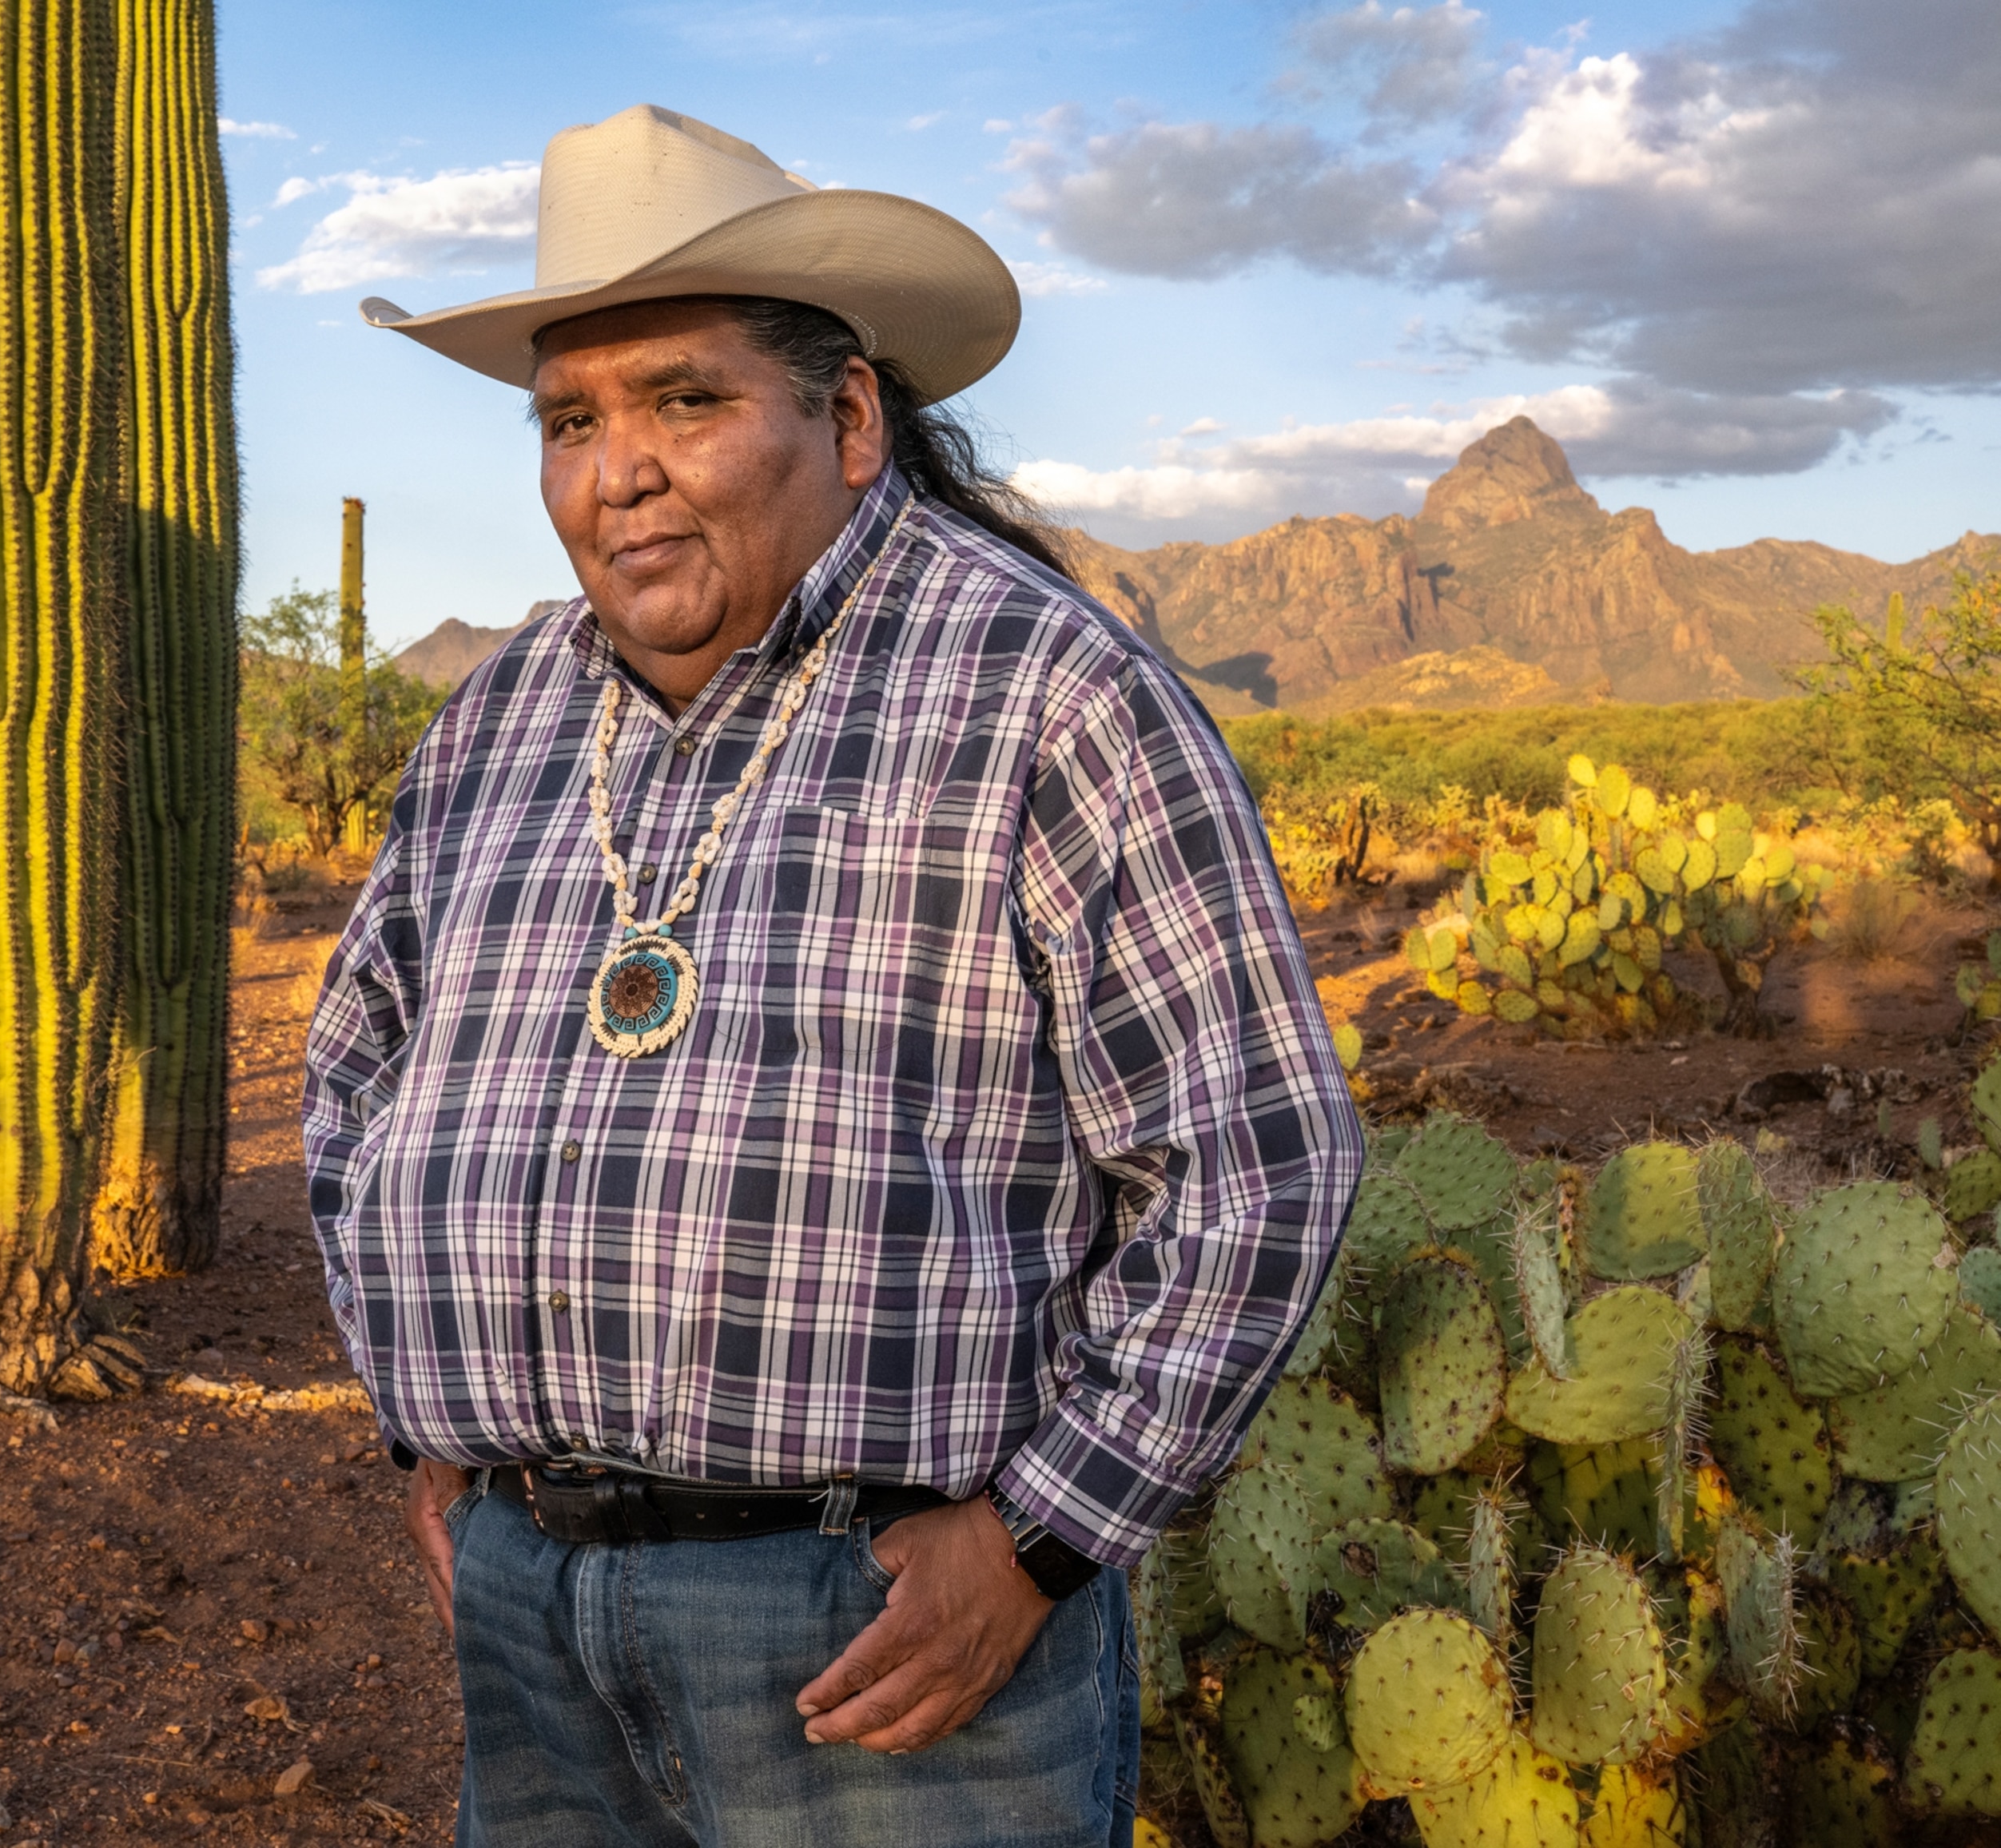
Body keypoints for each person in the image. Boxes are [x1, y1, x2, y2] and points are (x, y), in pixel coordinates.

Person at [304, 103, 1362, 1848]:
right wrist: (433, 1429)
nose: (615, 467)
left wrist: (1039, 1539)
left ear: (851, 416)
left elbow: (1257, 1158)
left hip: (881, 1625)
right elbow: (352, 1076)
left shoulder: (1043, 692)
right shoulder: (499, 716)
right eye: (571, 419)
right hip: (527, 1610)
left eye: (685, 401)